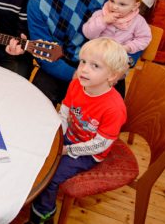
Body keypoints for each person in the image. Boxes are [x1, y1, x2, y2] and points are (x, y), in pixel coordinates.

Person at [27, 38, 129, 224]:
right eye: (83, 62)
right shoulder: (76, 84)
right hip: (70, 136)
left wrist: (68, 150)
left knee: (51, 176)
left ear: (112, 76)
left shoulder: (114, 107)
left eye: (95, 66)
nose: (84, 69)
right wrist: (57, 137)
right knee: (36, 153)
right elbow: (65, 112)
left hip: (89, 152)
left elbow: (101, 144)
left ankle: (43, 215)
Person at [27, 0, 114, 105]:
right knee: (35, 102)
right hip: (62, 65)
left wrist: (124, 64)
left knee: (105, 114)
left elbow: (132, 27)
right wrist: (76, 75)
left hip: (104, 67)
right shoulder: (37, 4)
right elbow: (44, 55)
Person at [83, 0, 152, 65]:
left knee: (122, 66)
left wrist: (128, 47)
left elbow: (144, 39)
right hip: (96, 55)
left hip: (119, 57)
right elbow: (88, 34)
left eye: (122, 4)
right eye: (112, 1)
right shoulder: (100, 14)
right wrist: (103, 21)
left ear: (135, 6)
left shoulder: (138, 21)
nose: (114, 6)